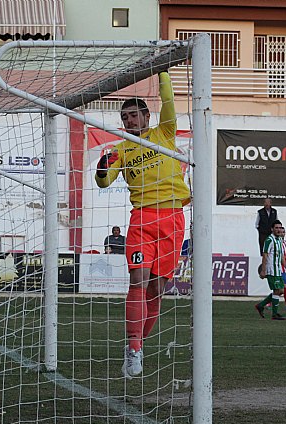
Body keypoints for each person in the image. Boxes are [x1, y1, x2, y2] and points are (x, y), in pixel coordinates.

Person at [95, 71, 189, 378]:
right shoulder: (121, 149)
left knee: (157, 290)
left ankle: (139, 346)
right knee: (138, 281)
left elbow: (169, 101)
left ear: (146, 115)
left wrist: (163, 69)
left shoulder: (164, 133)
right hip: (142, 219)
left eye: (134, 115)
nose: (129, 121)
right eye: (125, 117)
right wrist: (101, 169)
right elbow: (105, 182)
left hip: (173, 219)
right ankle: (133, 349)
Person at [254, 220, 286, 320]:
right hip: (271, 269)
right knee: (277, 290)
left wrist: (285, 267)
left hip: (277, 269)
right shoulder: (269, 240)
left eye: (280, 228)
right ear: (272, 229)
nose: (278, 230)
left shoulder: (280, 240)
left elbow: (280, 255)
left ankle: (261, 305)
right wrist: (263, 270)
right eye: (276, 228)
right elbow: (265, 255)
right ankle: (274, 314)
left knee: (281, 290)